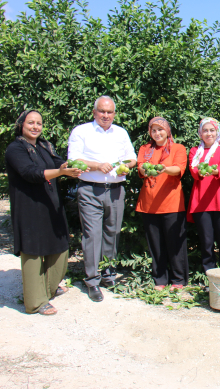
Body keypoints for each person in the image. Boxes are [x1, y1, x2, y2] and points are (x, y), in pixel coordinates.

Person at [5, 110, 83, 315]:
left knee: (59, 247)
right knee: (32, 251)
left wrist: (67, 167)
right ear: (21, 125)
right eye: (30, 123)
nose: (35, 127)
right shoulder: (15, 149)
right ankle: (35, 302)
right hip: (29, 207)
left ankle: (48, 288)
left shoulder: (43, 146)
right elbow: (30, 173)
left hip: (50, 204)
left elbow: (57, 163)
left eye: (39, 123)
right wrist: (61, 172)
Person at [68, 96, 137, 302]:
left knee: (113, 233)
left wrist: (124, 165)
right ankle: (92, 280)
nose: (106, 115)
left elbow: (132, 158)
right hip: (90, 189)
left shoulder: (121, 133)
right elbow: (73, 159)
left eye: (110, 112)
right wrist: (98, 165)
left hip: (115, 190)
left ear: (114, 114)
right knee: (92, 235)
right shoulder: (81, 131)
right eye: (102, 111)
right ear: (94, 112)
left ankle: (108, 274)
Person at [136, 117, 188, 291]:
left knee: (175, 244)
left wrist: (162, 169)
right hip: (149, 203)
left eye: (160, 129)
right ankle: (160, 279)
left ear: (168, 130)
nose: (157, 133)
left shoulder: (178, 148)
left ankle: (178, 279)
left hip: (172, 202)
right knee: (156, 244)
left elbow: (179, 169)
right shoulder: (145, 149)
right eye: (154, 130)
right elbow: (141, 168)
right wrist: (147, 168)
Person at [188, 118, 220, 282]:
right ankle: (211, 279)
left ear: (217, 132)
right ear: (200, 133)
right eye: (205, 130)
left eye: (212, 130)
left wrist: (214, 171)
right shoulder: (194, 151)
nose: (209, 133)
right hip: (201, 200)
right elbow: (193, 171)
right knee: (207, 243)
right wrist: (201, 172)